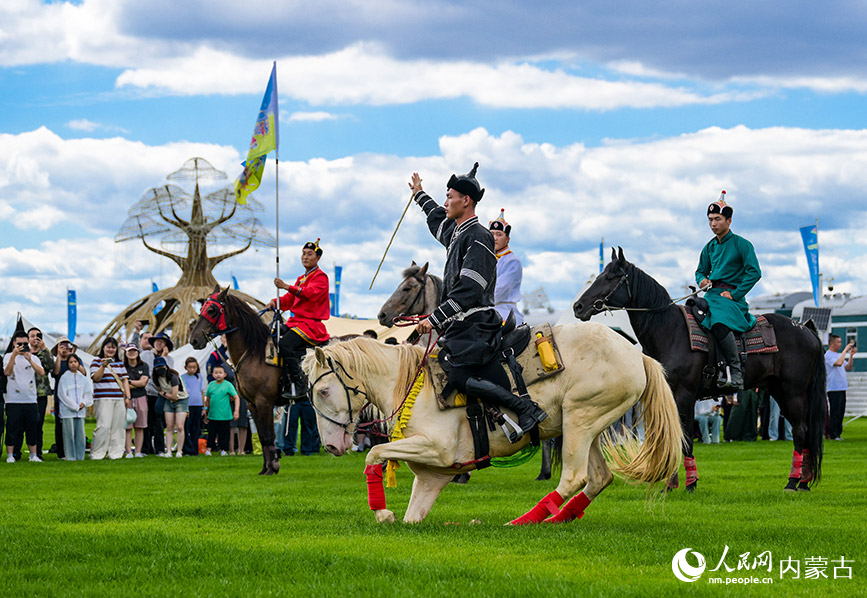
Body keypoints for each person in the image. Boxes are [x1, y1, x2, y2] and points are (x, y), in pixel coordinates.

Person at [408, 164, 546, 441]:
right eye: (446, 197)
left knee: (457, 376)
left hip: (477, 323)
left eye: (450, 197)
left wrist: (433, 319)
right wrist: (419, 195)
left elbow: (470, 290)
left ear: (465, 200)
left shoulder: (479, 236)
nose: (446, 202)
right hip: (462, 323)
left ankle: (525, 408)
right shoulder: (458, 232)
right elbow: (437, 219)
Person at [695, 190, 762, 391]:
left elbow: (754, 272)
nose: (713, 224)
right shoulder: (708, 247)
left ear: (729, 220)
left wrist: (735, 294)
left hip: (731, 299)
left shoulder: (742, 244)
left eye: (717, 219)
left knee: (718, 321)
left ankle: (735, 370)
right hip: (712, 295)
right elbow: (699, 271)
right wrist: (702, 281)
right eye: (710, 220)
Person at [268, 239, 331, 401]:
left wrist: (286, 286)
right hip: (296, 323)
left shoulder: (321, 277)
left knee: (285, 344)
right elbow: (290, 300)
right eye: (303, 254)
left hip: (310, 325)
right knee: (273, 336)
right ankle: (285, 379)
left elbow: (309, 293)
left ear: (317, 258)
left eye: (309, 254)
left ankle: (299, 384)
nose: (305, 257)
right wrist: (276, 303)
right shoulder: (301, 278)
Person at [4, 331, 45, 462]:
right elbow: (7, 372)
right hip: (13, 399)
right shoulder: (8, 356)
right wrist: (14, 356)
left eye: (25, 344)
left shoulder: (33, 357)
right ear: (14, 343)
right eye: (19, 344)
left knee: (32, 428)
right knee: (12, 428)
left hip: (30, 399)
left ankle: (33, 455)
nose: (22, 346)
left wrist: (29, 359)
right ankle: (10, 455)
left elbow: (41, 372)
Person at [90, 337, 130, 460]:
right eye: (108, 347)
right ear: (103, 348)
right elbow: (96, 378)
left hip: (118, 398)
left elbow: (125, 380)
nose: (111, 349)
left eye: (113, 347)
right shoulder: (96, 362)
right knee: (104, 425)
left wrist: (127, 396)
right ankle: (97, 453)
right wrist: (103, 366)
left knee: (118, 426)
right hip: (103, 398)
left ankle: (116, 453)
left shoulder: (119, 363)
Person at [51, 337, 85, 460]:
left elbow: (83, 373)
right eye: (62, 346)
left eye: (66, 345)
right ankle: (62, 453)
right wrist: (59, 356)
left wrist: (72, 355)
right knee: (60, 427)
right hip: (60, 398)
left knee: (77, 427)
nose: (65, 348)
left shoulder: (76, 360)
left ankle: (76, 451)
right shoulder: (56, 361)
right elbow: (55, 372)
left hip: (76, 397)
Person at [489, 209, 524, 325]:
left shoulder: (512, 261)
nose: (494, 238)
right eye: (492, 234)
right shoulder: (486, 258)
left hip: (504, 312)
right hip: (486, 310)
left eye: (499, 235)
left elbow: (499, 292)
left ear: (507, 239)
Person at [24, 327, 54, 460]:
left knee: (38, 424)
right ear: (28, 339)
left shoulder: (44, 353)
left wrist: (44, 348)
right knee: (22, 424)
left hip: (40, 393)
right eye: (32, 336)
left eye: (38, 336)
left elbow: (51, 366)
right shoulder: (23, 353)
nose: (35, 338)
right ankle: (17, 452)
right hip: (24, 393)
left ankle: (38, 452)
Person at [56, 354, 93, 461]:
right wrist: (74, 406)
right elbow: (62, 394)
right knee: (69, 435)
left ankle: (79, 456)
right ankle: (70, 456)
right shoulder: (64, 377)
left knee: (80, 435)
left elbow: (87, 393)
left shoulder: (82, 378)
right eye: (71, 362)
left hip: (80, 412)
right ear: (67, 364)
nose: (73, 364)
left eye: (75, 362)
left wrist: (83, 403)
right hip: (68, 411)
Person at [141, 332, 173, 454]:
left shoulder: (170, 359)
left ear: (166, 345)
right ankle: (146, 448)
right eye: (156, 341)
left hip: (161, 394)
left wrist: (163, 357)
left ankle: (159, 449)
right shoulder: (145, 355)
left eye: (162, 342)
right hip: (148, 392)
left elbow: (166, 374)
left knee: (159, 422)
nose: (159, 343)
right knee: (146, 422)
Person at [153, 356, 187, 458]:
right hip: (168, 401)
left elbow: (174, 396)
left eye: (162, 367)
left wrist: (164, 393)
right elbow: (160, 390)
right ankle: (168, 451)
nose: (160, 370)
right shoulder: (156, 378)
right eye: (157, 368)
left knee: (180, 426)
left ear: (166, 366)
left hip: (181, 400)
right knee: (169, 426)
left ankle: (179, 451)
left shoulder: (173, 377)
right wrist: (165, 394)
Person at [204, 364, 239, 456]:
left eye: (220, 373)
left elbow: (236, 397)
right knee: (211, 433)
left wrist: (236, 411)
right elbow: (207, 399)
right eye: (216, 373)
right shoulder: (211, 385)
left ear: (225, 374)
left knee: (224, 434)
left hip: (225, 415)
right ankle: (209, 450)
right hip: (212, 414)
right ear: (213, 374)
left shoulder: (228, 385)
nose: (218, 375)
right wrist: (205, 410)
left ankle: (223, 450)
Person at [825, 334, 855, 441]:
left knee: (841, 411)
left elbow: (848, 367)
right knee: (835, 411)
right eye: (838, 342)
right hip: (833, 388)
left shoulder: (839, 355)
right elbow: (838, 363)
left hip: (842, 387)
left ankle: (838, 433)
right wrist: (845, 351)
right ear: (832, 343)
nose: (840, 344)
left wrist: (851, 355)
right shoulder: (828, 355)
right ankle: (833, 434)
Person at [123, 344, 149, 458]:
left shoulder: (144, 366)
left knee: (140, 426)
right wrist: (135, 383)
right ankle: (128, 451)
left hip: (141, 397)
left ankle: (138, 451)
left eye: (134, 351)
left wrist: (128, 383)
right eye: (129, 351)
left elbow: (143, 383)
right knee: (127, 426)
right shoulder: (122, 366)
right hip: (127, 399)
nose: (132, 353)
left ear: (138, 353)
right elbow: (122, 386)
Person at [181, 357, 204, 455]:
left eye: (194, 367)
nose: (192, 369)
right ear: (186, 367)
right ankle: (187, 448)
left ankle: (195, 449)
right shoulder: (183, 377)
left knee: (196, 428)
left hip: (198, 405)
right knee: (187, 428)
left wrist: (204, 407)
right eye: (190, 367)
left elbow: (202, 391)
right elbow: (184, 392)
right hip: (188, 406)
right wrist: (185, 408)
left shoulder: (199, 377)